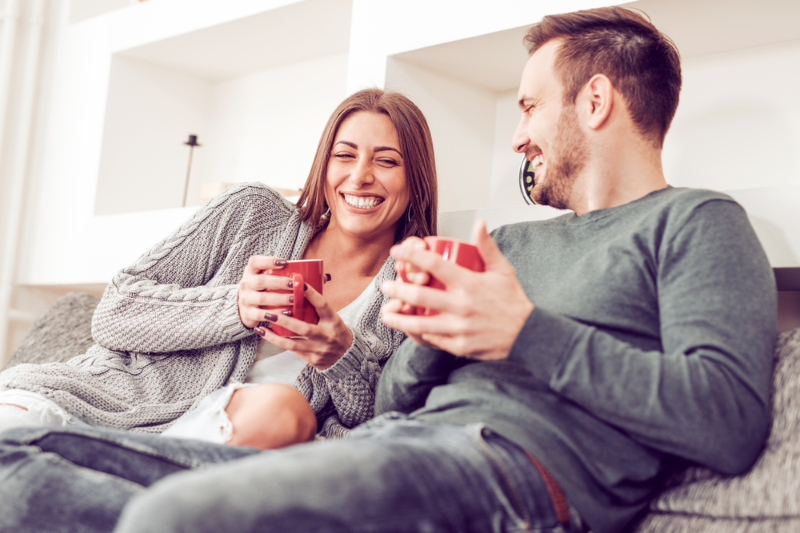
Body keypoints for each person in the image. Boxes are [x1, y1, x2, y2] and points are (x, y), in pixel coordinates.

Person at [0, 7, 777, 533]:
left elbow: (731, 423)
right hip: (391, 444)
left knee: (177, 516)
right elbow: (392, 399)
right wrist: (423, 334)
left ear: (597, 101)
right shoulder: (510, 241)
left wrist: (521, 332)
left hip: (511, 472)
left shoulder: (696, 223)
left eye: (531, 107)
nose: (518, 137)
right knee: (18, 467)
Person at [0, 88, 438, 447]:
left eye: (386, 161)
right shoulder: (251, 212)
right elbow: (114, 312)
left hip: (223, 439)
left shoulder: (413, 289)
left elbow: (389, 425)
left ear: (414, 178)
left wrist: (343, 357)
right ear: (324, 165)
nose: (360, 176)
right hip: (107, 402)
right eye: (345, 155)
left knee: (283, 411)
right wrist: (236, 307)